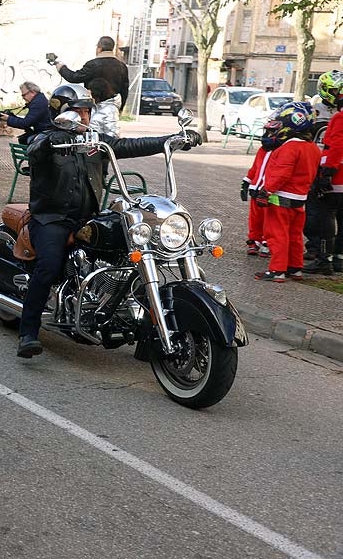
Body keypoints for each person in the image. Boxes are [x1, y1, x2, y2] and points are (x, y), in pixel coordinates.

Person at [17, 104, 202, 357]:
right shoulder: (47, 139)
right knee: (48, 266)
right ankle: (28, 332)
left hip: (88, 218)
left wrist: (172, 140)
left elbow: (130, 145)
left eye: (86, 111)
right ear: (59, 113)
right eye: (75, 111)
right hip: (51, 219)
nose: (82, 116)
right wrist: (51, 141)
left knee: (128, 253)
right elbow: (34, 149)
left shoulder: (95, 142)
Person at [250, 103, 321, 281]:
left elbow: (281, 174)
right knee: (295, 235)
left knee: (277, 235)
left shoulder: (289, 148)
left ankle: (277, 270)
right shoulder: (313, 148)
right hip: (300, 198)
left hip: (280, 199)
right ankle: (295, 268)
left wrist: (266, 191)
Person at [304, 75, 343, 275]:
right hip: (325, 168)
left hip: (333, 175)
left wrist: (327, 173)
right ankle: (335, 257)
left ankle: (324, 258)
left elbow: (334, 147)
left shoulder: (338, 117)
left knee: (324, 214)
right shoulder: (315, 110)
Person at [49, 36, 130, 109]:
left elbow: (74, 77)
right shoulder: (122, 66)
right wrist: (121, 107)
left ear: (99, 48)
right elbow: (124, 90)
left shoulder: (93, 64)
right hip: (113, 107)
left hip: (95, 106)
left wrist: (61, 67)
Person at [241, 123, 279, 256]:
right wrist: (246, 183)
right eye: (267, 132)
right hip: (255, 189)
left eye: (272, 132)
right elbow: (255, 168)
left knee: (268, 219)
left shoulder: (280, 151)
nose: (268, 135)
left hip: (268, 190)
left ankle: (266, 242)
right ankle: (254, 240)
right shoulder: (262, 150)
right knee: (255, 218)